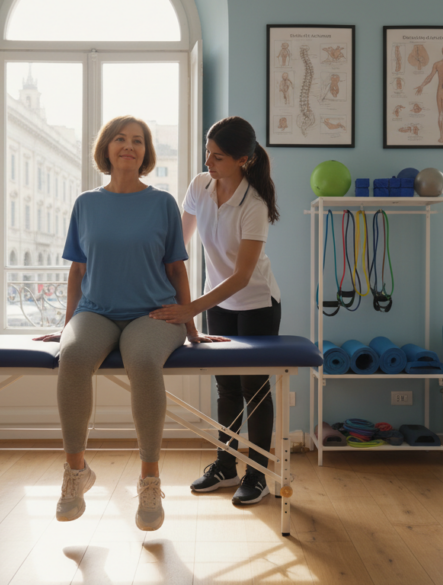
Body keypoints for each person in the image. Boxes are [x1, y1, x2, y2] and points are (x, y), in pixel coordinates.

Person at [34, 115, 203, 531]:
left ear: (146, 153)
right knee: (71, 355)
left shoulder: (162, 202)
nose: (129, 146)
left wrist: (190, 324)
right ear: (106, 148)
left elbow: (177, 270)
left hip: (154, 313)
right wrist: (68, 323)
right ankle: (76, 473)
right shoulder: (85, 204)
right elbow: (77, 271)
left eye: (138, 141)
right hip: (97, 310)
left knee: (142, 359)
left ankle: (150, 478)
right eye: (120, 139)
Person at [150, 116, 281, 505]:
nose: (209, 161)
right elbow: (180, 246)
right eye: (208, 152)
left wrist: (189, 307)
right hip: (216, 303)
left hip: (256, 303)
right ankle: (225, 465)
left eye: (218, 156)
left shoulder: (253, 204)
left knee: (253, 389)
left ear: (243, 159)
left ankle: (256, 474)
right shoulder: (199, 186)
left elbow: (242, 276)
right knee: (225, 387)